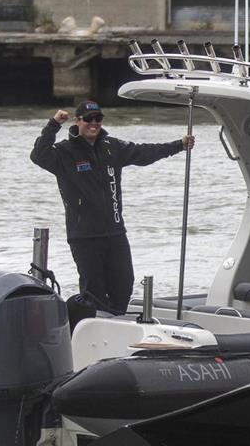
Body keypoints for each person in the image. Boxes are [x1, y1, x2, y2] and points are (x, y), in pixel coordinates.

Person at [30, 100, 195, 314]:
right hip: (84, 236)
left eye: (98, 118)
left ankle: (115, 322)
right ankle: (91, 331)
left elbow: (144, 153)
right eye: (89, 119)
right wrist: (53, 124)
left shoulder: (112, 147)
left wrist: (179, 145)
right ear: (77, 121)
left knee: (124, 283)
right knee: (94, 292)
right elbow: (38, 155)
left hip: (115, 232)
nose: (94, 123)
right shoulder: (64, 152)